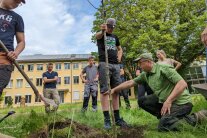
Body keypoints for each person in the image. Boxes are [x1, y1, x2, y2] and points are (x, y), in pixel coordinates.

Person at [108, 53, 207, 131]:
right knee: (142, 101)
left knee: (163, 126)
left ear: (148, 62)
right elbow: (130, 82)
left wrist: (169, 101)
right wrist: (114, 90)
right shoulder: (145, 74)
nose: (139, 66)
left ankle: (197, 117)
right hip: (166, 101)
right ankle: (168, 117)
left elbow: (182, 84)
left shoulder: (164, 68)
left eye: (140, 63)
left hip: (182, 103)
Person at [95, 18, 129, 129]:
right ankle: (107, 120)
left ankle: (117, 118)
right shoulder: (102, 35)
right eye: (109, 26)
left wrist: (119, 56)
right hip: (105, 63)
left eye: (112, 27)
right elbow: (97, 36)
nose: (111, 29)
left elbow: (120, 49)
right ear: (106, 26)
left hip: (116, 65)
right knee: (105, 90)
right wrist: (102, 30)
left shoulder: (115, 37)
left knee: (116, 91)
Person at [0, 0, 26, 97]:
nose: (18, 3)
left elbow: (21, 42)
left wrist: (16, 52)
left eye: (19, 3)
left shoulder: (17, 18)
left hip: (4, 58)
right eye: (16, 0)